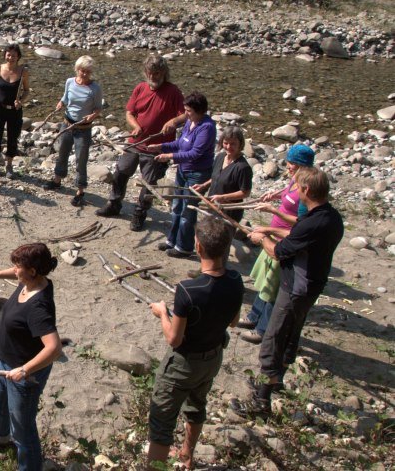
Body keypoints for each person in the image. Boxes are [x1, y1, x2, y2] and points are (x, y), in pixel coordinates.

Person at [233, 167, 343, 418]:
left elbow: (279, 252)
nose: (294, 189)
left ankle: (261, 400)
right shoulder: (330, 216)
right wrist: (269, 230)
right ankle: (278, 380)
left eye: (297, 186)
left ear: (306, 190)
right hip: (312, 286)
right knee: (291, 334)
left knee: (273, 337)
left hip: (295, 288)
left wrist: (261, 240)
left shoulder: (314, 222)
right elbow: (297, 235)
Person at [145, 217, 243, 469]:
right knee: (197, 405)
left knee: (161, 421)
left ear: (198, 247)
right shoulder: (236, 280)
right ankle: (187, 455)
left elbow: (174, 338)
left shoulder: (189, 289)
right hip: (212, 358)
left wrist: (162, 313)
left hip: (183, 364)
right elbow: (233, 322)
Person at [0, 243, 62, 471]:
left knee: (23, 429)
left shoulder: (39, 306)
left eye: (18, 266)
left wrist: (24, 370)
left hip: (23, 375)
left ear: (31, 271)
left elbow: (54, 348)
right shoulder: (30, 280)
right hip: (4, 363)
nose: (14, 269)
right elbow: (14, 272)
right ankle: (0, 436)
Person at [236, 144, 314, 344]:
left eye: (292, 164)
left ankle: (263, 329)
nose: (288, 167)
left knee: (273, 287)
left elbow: (302, 223)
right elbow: (288, 193)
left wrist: (274, 211)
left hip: (284, 239)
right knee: (264, 282)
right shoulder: (295, 180)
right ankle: (254, 316)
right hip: (272, 235)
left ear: (302, 166)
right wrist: (276, 195)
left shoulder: (307, 189)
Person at [97, 55, 185, 232]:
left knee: (149, 182)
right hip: (136, 142)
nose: (153, 76)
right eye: (150, 73)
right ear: (146, 72)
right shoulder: (140, 88)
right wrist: (135, 126)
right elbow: (130, 113)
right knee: (121, 171)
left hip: (157, 147)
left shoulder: (173, 91)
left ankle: (140, 213)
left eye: (157, 73)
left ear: (164, 72)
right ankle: (114, 204)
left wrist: (173, 122)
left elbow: (185, 114)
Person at [147, 92, 216, 258]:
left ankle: (184, 247)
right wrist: (162, 146)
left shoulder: (207, 127)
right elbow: (180, 143)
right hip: (183, 170)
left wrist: (169, 156)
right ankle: (172, 240)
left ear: (200, 111)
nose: (186, 114)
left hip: (197, 174)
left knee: (188, 211)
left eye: (189, 111)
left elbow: (195, 153)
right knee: (177, 206)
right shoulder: (190, 122)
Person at [44, 56, 103, 207]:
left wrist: (92, 115)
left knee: (81, 159)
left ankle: (80, 191)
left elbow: (98, 108)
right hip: (67, 124)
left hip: (83, 129)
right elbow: (65, 98)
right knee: (62, 153)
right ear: (77, 69)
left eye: (87, 71)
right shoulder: (70, 81)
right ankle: (57, 180)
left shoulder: (95, 88)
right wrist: (61, 103)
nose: (84, 74)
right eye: (82, 71)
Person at [191, 126, 253, 223]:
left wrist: (223, 197)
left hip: (229, 211)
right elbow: (216, 177)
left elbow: (245, 193)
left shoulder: (243, 167)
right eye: (225, 143)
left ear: (240, 144)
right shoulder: (220, 157)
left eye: (233, 144)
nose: (228, 147)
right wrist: (203, 185)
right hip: (213, 206)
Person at [0, 44, 31, 179]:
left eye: (14, 55)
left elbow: (27, 90)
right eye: (8, 54)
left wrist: (21, 101)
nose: (11, 57)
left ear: (18, 56)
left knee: (13, 138)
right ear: (5, 55)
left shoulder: (23, 71)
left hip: (14, 110)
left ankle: (9, 166)